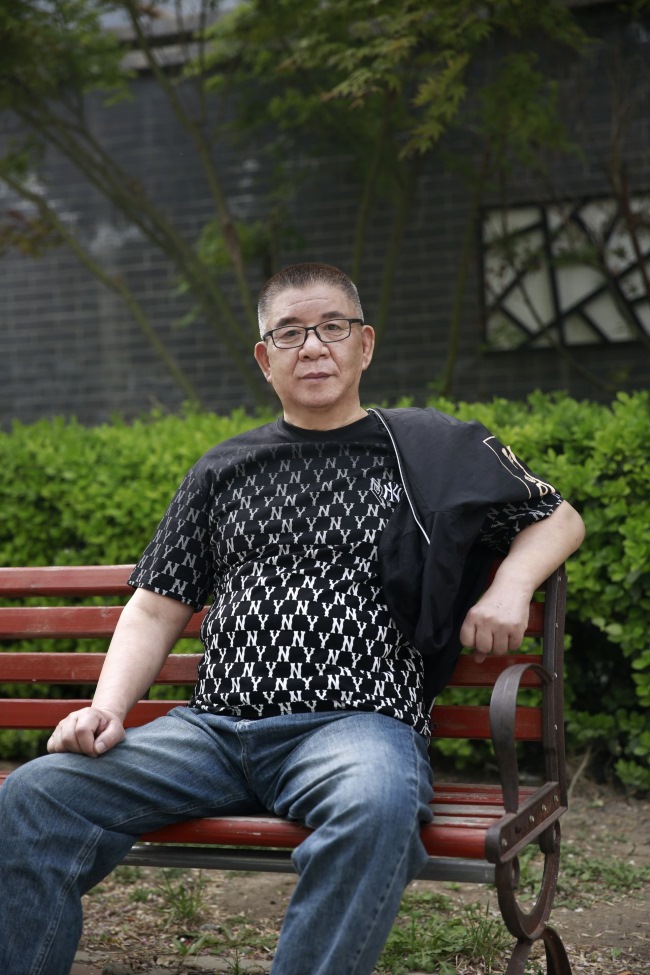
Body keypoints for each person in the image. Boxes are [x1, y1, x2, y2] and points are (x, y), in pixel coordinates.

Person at [0, 262, 585, 975]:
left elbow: (557, 516)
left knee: (375, 809)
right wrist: (106, 709)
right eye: (290, 332)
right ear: (264, 357)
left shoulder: (431, 448)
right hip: (214, 732)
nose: (312, 346)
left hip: (356, 727)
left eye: (332, 327)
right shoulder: (223, 468)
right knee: (37, 795)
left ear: (364, 345)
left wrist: (511, 586)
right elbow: (155, 604)